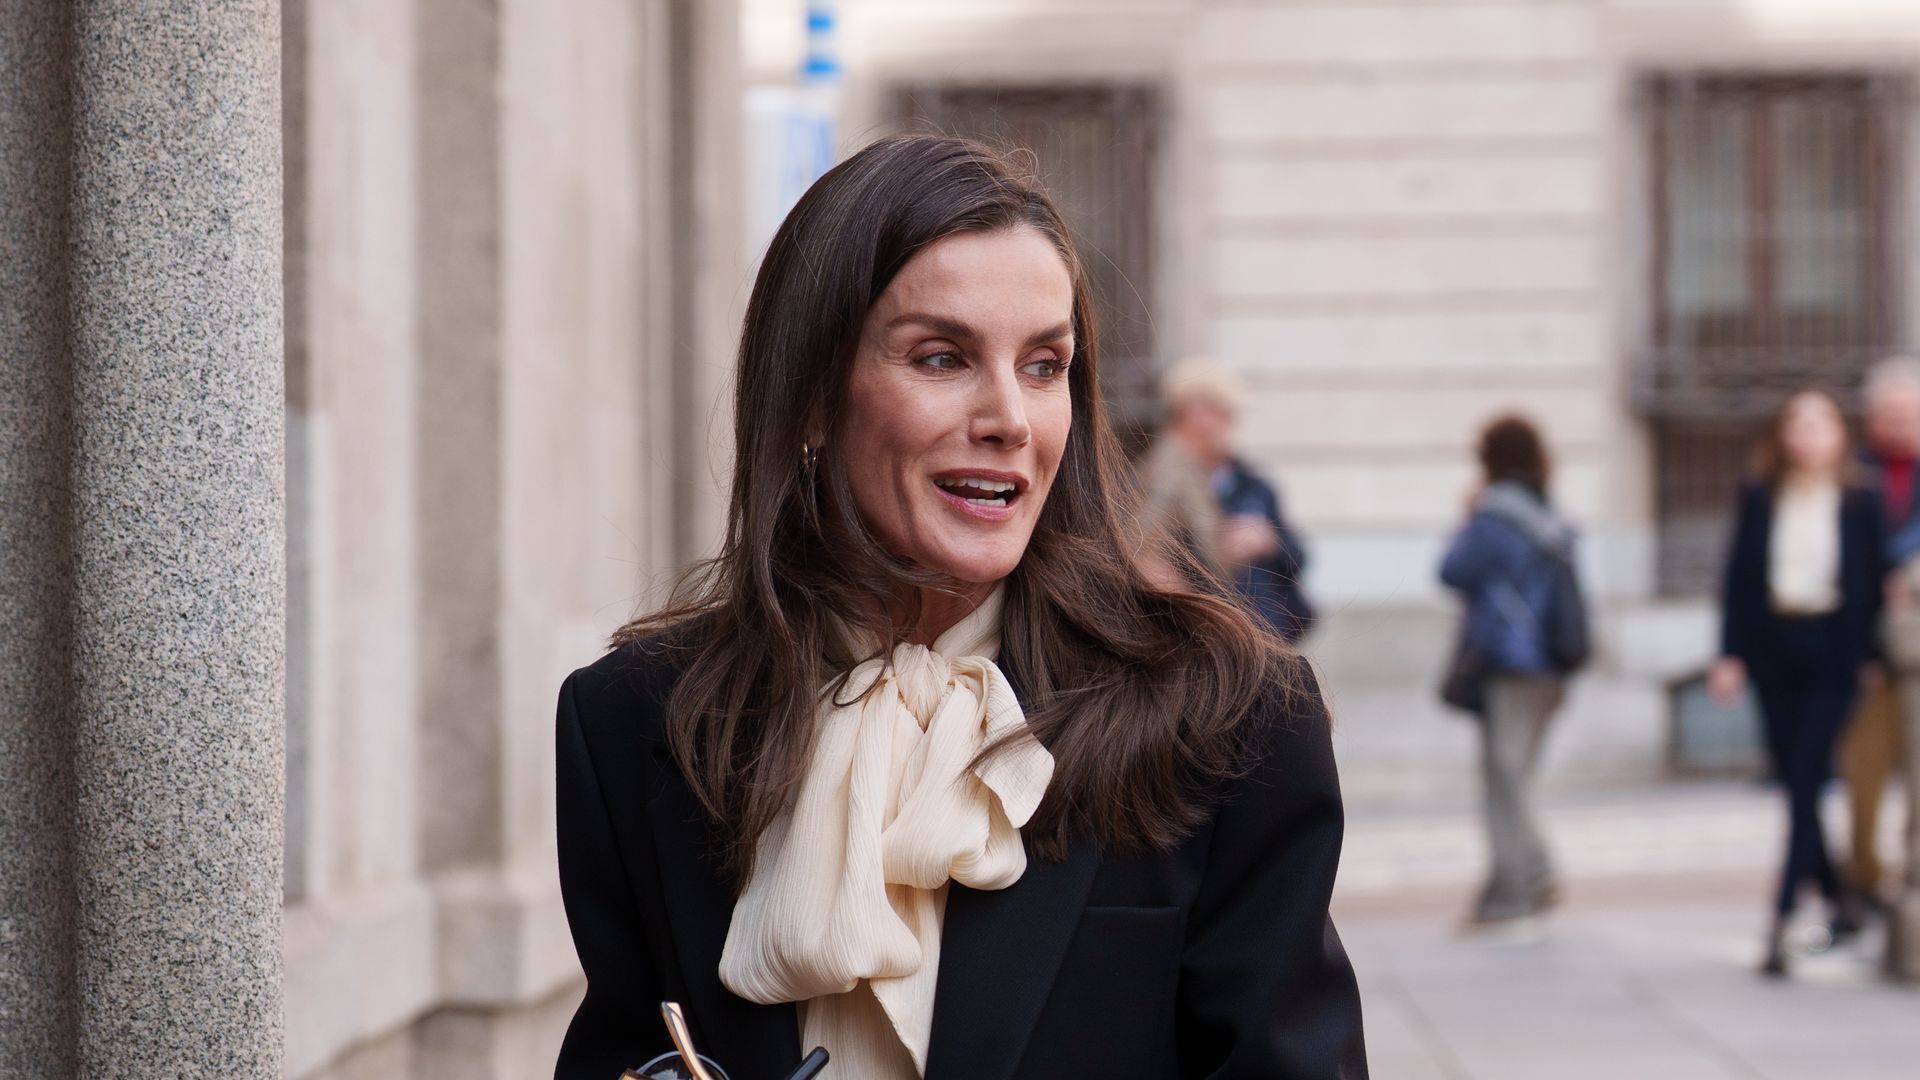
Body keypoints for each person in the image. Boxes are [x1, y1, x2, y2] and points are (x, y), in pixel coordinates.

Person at [552, 135, 1367, 1080]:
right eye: (942, 358)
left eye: (1044, 365)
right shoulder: (633, 721)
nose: (1009, 420)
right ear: (812, 398)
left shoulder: (1234, 719)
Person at [1709, 389, 1885, 977]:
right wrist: (1729, 655)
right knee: (1795, 780)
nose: (1807, 434)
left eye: (1819, 423)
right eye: (1797, 423)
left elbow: (1872, 579)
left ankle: (1781, 918)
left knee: (1806, 776)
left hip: (1834, 652)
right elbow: (1738, 578)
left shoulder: (1859, 498)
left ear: (1839, 434)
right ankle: (1840, 899)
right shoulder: (1761, 494)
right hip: (1774, 650)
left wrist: (1870, 653)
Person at [1439, 416, 1582, 930]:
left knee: (1504, 779)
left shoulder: (1494, 516)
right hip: (1552, 665)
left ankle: (1515, 889)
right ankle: (1530, 875)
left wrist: (1467, 515)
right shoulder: (1549, 514)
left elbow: (1452, 570)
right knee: (1516, 776)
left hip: (1510, 664)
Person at [1145, 359, 1317, 642]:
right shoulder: (1167, 474)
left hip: (1263, 637)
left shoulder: (1251, 481)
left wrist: (1268, 540)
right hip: (1213, 641)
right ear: (1193, 413)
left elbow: (1298, 557)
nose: (1231, 423)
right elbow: (1147, 560)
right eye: (1224, 412)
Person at [1841, 358, 1920, 906]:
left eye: (1908, 413)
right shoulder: (1852, 476)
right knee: (1862, 776)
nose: (1898, 424)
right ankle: (1865, 882)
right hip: (1866, 654)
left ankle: (1913, 876)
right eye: (1889, 414)